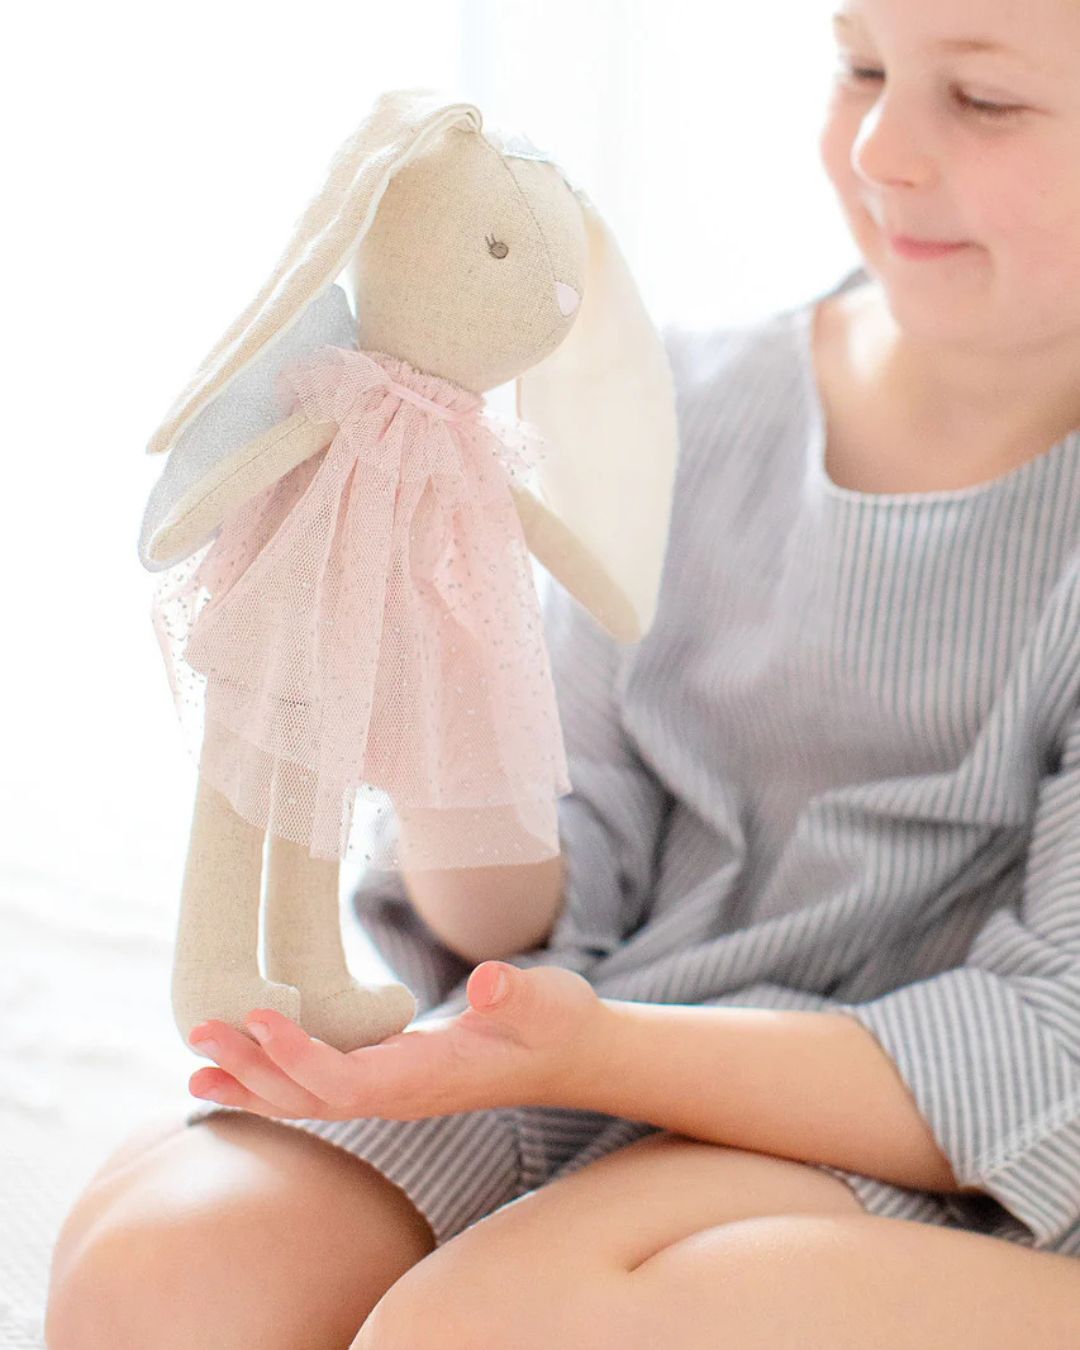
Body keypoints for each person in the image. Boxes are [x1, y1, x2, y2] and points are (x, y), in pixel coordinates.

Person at [46, 1, 1080, 1345]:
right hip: (601, 1047)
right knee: (167, 1269)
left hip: (947, 1142)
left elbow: (1050, 1049)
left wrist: (598, 1044)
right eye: (862, 66)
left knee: (487, 1326)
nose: (883, 147)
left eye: (984, 101)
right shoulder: (694, 412)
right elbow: (512, 922)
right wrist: (440, 676)